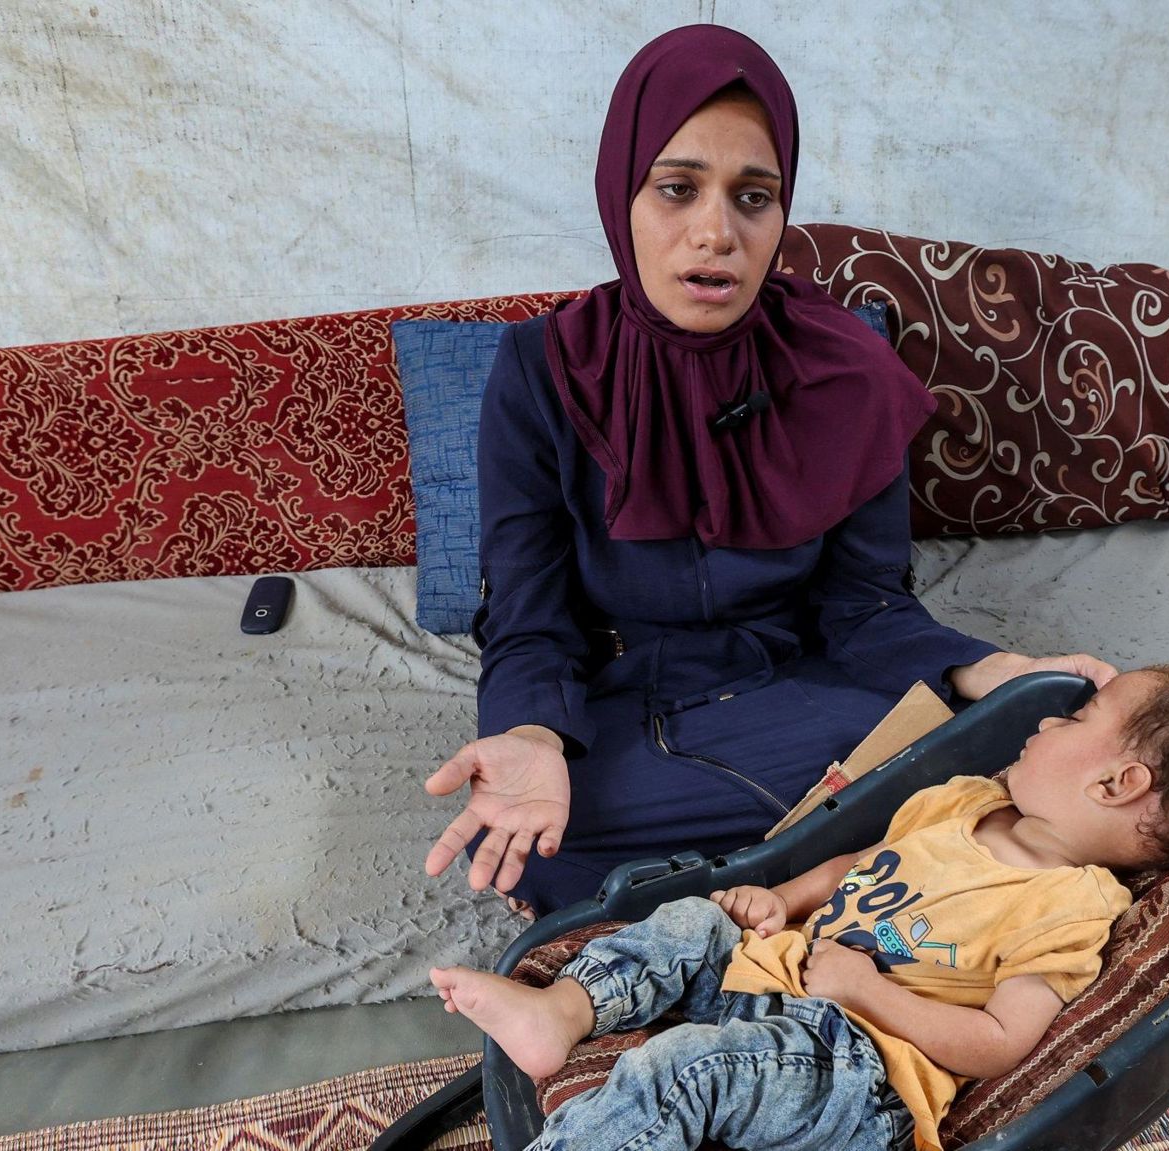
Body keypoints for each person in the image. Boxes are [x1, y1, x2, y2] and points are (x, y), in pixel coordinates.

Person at [422, 25, 1115, 918]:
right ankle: (826, 869)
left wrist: (992, 668)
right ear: (620, 196)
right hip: (624, 706)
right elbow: (527, 613)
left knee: (1004, 748)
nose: (716, 233)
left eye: (754, 198)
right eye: (677, 189)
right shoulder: (542, 369)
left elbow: (867, 607)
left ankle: (734, 894)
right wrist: (529, 734)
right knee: (536, 832)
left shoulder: (850, 373)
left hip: (802, 691)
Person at [429, 665, 1169, 1151]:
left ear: (1117, 783)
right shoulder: (965, 798)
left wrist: (867, 992)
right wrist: (778, 897)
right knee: (692, 921)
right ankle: (561, 1011)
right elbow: (857, 860)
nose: (1041, 726)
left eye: (1076, 718)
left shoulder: (1071, 908)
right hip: (777, 974)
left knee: (694, 1066)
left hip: (859, 1066)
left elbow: (1002, 1041)